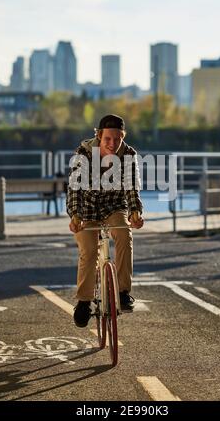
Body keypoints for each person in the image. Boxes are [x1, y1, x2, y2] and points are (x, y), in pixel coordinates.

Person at [66, 114, 144, 327]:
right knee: (89, 250)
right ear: (99, 136)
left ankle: (123, 291)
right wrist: (75, 214)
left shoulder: (128, 154)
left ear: (122, 137)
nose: (112, 143)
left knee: (124, 235)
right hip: (87, 210)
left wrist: (135, 212)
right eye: (108, 138)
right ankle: (83, 301)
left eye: (117, 138)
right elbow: (74, 189)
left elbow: (131, 188)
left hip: (114, 207)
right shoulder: (83, 154)